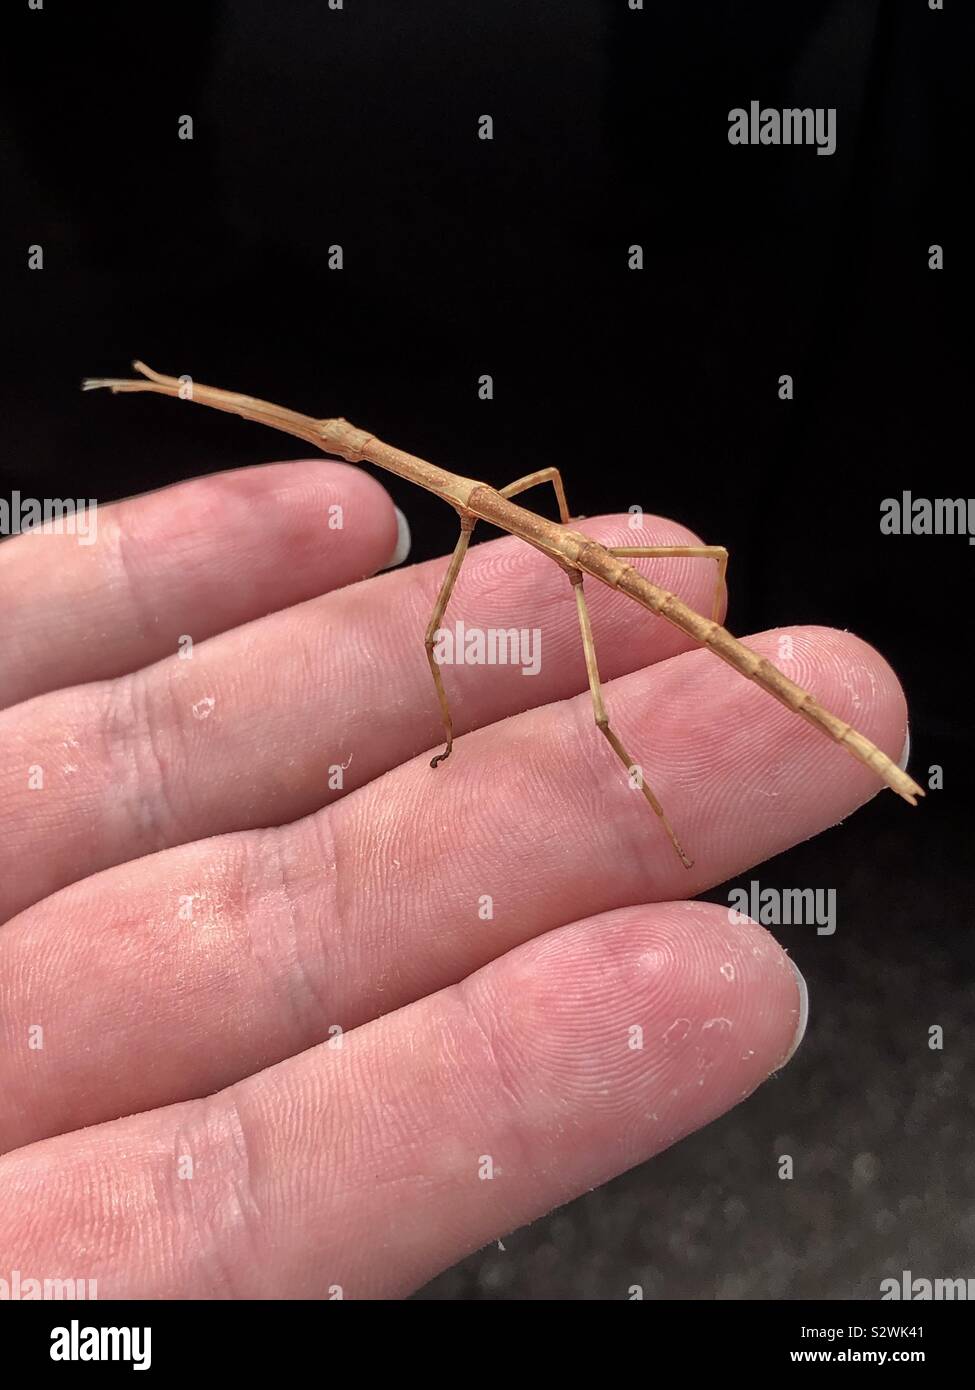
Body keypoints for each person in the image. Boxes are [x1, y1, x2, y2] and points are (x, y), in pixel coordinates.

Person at [0, 457, 910, 1298]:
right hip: (563, 548)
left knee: (594, 709)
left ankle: (701, 793)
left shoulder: (487, 525)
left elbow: (449, 630)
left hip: (592, 571)